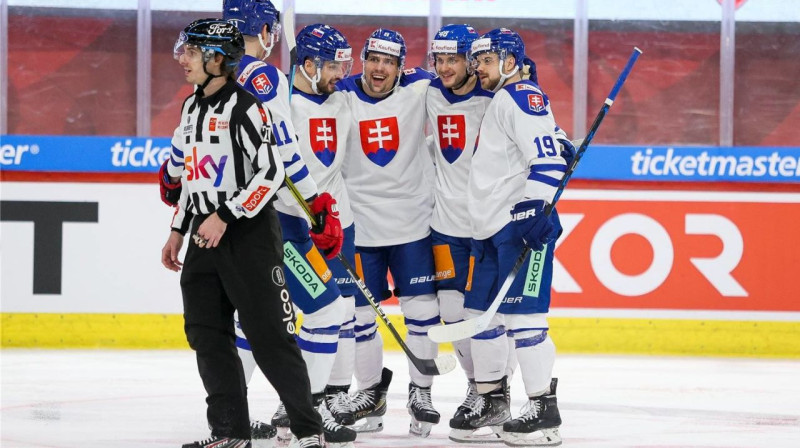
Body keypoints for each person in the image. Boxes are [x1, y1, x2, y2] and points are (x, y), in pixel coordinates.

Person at [159, 18, 323, 448]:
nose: (183, 59)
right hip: (202, 236)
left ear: (218, 59)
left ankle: (308, 431)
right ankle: (230, 432)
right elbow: (194, 181)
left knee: (270, 337)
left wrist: (226, 216)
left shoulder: (246, 106)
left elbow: (271, 173)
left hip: (247, 236)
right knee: (206, 332)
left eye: (192, 52)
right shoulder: (191, 107)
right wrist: (178, 228)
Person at [221, 1, 355, 446]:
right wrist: (316, 204)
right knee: (327, 311)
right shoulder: (264, 76)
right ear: (264, 30)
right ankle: (305, 414)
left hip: (233, 220)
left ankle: (228, 416)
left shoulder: (215, 74)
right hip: (274, 221)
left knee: (252, 318)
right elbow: (283, 152)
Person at [463, 28, 571, 447]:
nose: (479, 70)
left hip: (519, 226)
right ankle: (495, 401)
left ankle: (544, 411)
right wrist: (564, 144)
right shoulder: (510, 98)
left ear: (510, 61)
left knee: (526, 321)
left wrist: (533, 212)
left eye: (487, 62)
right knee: (489, 318)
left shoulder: (519, 95)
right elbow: (553, 145)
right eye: (478, 63)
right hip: (494, 227)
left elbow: (545, 161)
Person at [337, 28, 440, 438]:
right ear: (362, 59)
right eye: (373, 59)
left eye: (389, 62)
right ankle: (369, 393)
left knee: (422, 315)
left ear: (401, 67)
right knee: (361, 318)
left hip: (413, 226)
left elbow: (479, 96)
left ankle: (422, 393)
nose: (380, 69)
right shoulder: (339, 93)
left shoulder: (421, 87)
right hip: (360, 228)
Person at [424, 23, 518, 443]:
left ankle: (494, 393)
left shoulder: (498, 98)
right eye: (438, 59)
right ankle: (478, 389)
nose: (444, 67)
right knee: (451, 313)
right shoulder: (426, 92)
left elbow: (535, 128)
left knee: (482, 316)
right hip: (444, 228)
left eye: (454, 59)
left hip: (484, 227)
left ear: (472, 59)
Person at [289, 23, 362, 428]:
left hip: (338, 223)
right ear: (310, 64)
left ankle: (333, 396)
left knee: (342, 311)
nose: (343, 73)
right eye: (335, 66)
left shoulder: (342, 97)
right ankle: (298, 401)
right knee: (315, 312)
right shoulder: (281, 105)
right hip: (295, 226)